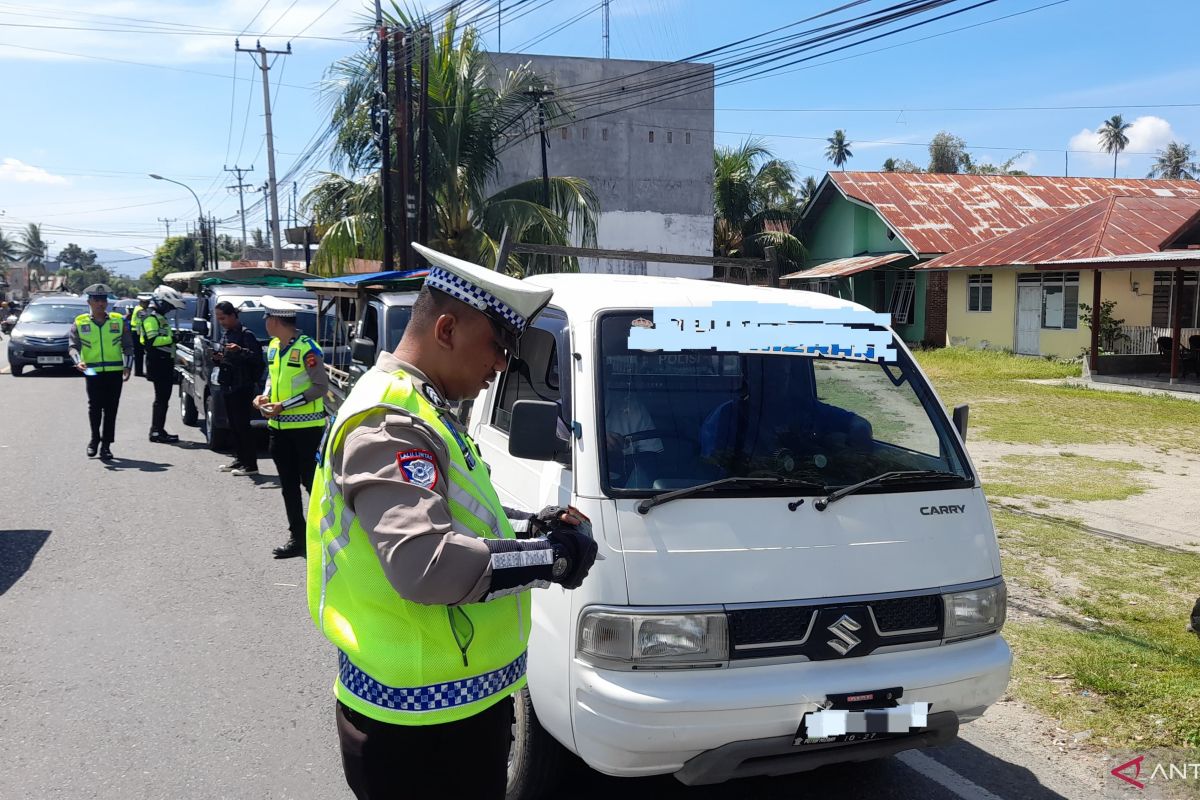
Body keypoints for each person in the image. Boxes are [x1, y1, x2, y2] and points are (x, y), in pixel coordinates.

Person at [305, 244, 598, 800]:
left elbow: (454, 512)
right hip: (421, 730)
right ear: (446, 329)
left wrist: (530, 526)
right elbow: (427, 565)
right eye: (498, 346)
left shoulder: (421, 406)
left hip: (447, 709)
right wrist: (552, 559)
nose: (502, 366)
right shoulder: (389, 423)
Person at [253, 296, 329, 558]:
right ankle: (298, 537)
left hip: (307, 430)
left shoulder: (308, 349)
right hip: (278, 429)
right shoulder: (274, 347)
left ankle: (327, 536)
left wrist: (284, 405)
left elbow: (320, 387)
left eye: (266, 318)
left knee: (312, 485)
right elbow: (272, 379)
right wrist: (264, 397)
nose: (265, 322)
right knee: (288, 486)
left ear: (275, 321)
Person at [68, 283, 133, 460]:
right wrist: (78, 361)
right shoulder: (80, 322)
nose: (100, 303)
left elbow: (128, 346)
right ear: (89, 302)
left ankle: (106, 445)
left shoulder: (118, 321)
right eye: (96, 300)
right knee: (95, 406)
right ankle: (94, 439)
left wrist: (128, 366)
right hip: (91, 370)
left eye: (103, 300)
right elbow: (73, 346)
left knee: (111, 409)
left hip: (114, 370)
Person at [211, 301, 264, 475]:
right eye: (218, 318)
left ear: (233, 315)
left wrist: (239, 350)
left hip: (243, 386)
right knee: (233, 425)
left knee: (242, 426)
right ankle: (239, 460)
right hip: (228, 385)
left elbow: (256, 358)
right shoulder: (226, 334)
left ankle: (250, 465)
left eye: (223, 318)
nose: (221, 322)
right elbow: (225, 358)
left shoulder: (246, 335)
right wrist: (218, 358)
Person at [140, 287, 184, 443]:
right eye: (169, 306)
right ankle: (156, 431)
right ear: (161, 303)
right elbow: (152, 341)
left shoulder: (158, 318)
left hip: (164, 362)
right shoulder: (151, 319)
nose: (170, 309)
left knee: (163, 399)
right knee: (161, 399)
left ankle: (159, 429)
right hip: (158, 363)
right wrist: (173, 339)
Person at [128, 293, 152, 377]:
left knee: (139, 353)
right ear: (141, 302)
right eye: (146, 303)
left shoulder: (137, 308)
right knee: (139, 353)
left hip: (137, 332)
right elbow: (147, 318)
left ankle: (139, 371)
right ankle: (138, 372)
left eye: (148, 303)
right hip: (137, 333)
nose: (147, 305)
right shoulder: (140, 310)